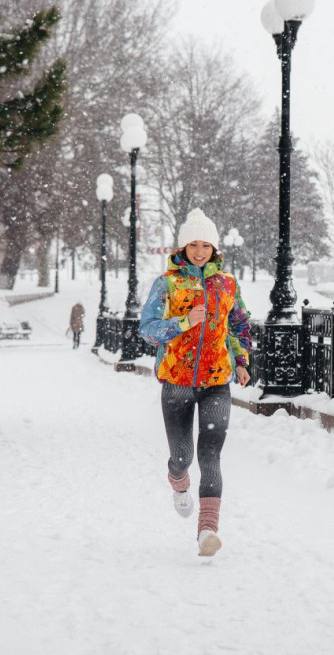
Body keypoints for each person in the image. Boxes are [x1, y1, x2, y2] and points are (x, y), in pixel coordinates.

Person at [139, 208, 252, 557]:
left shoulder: (227, 284)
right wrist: (183, 322)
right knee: (182, 456)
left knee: (211, 456)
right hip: (177, 381)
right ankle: (178, 481)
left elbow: (238, 326)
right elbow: (147, 329)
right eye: (193, 244)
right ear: (184, 247)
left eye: (206, 245)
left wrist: (242, 359)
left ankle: (207, 532)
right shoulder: (168, 283)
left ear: (215, 248)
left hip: (217, 380)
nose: (200, 251)